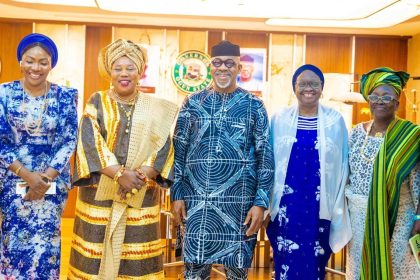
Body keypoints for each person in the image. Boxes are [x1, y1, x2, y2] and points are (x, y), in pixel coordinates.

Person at [67, 39, 178, 279]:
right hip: (99, 197)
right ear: (110, 72)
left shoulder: (154, 107)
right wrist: (119, 174)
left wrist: (140, 176)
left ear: (140, 72)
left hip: (141, 195)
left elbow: (163, 144)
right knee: (94, 256)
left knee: (136, 259)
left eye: (130, 68)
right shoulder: (97, 101)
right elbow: (89, 139)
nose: (124, 74)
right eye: (118, 68)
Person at [171, 40, 274, 279]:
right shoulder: (192, 103)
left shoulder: (254, 105)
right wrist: (176, 195)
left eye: (230, 63)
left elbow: (265, 157)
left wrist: (260, 203)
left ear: (239, 68)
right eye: (217, 63)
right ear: (210, 67)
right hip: (197, 201)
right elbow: (179, 151)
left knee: (237, 273)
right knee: (194, 272)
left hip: (239, 204)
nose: (223, 68)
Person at [0, 33, 78, 278]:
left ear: (51, 64)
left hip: (51, 184)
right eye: (29, 60)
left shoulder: (65, 96)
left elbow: (69, 140)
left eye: (43, 62)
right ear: (20, 61)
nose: (36, 67)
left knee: (47, 246)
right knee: (13, 244)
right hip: (13, 182)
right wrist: (27, 177)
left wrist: (43, 179)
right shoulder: (3, 94)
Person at [267, 64, 352, 280]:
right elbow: (268, 161)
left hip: (320, 206)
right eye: (302, 83)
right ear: (294, 87)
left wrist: (340, 206)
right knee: (285, 262)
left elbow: (343, 164)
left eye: (314, 83)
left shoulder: (335, 121)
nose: (308, 88)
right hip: (286, 207)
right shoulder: (279, 119)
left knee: (315, 264)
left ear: (322, 87)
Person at [345, 67, 419, 280]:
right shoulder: (357, 133)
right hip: (358, 221)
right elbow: (346, 175)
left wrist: (419, 218)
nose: (380, 101)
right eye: (374, 96)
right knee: (360, 270)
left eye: (387, 97)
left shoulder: (411, 136)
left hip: (397, 222)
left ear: (397, 102)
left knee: (396, 271)